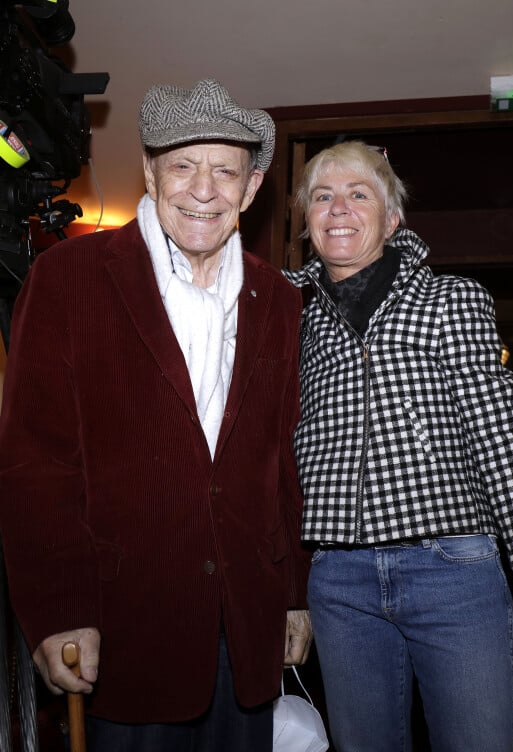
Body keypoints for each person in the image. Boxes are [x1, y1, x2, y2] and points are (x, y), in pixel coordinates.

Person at [0, 78, 312, 752]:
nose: (204, 188)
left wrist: (293, 593)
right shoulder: (67, 280)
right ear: (148, 172)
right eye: (182, 165)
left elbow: (282, 463)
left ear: (251, 187)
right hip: (123, 629)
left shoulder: (281, 301)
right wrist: (58, 612)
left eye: (225, 170)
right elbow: (37, 461)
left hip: (245, 629)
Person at [283, 140, 513, 752]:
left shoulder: (452, 301)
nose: (338, 207)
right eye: (322, 196)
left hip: (453, 574)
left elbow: (506, 447)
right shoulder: (295, 324)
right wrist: (293, 596)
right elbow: (285, 468)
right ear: (308, 221)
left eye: (358, 193)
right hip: (337, 583)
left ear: (392, 219)